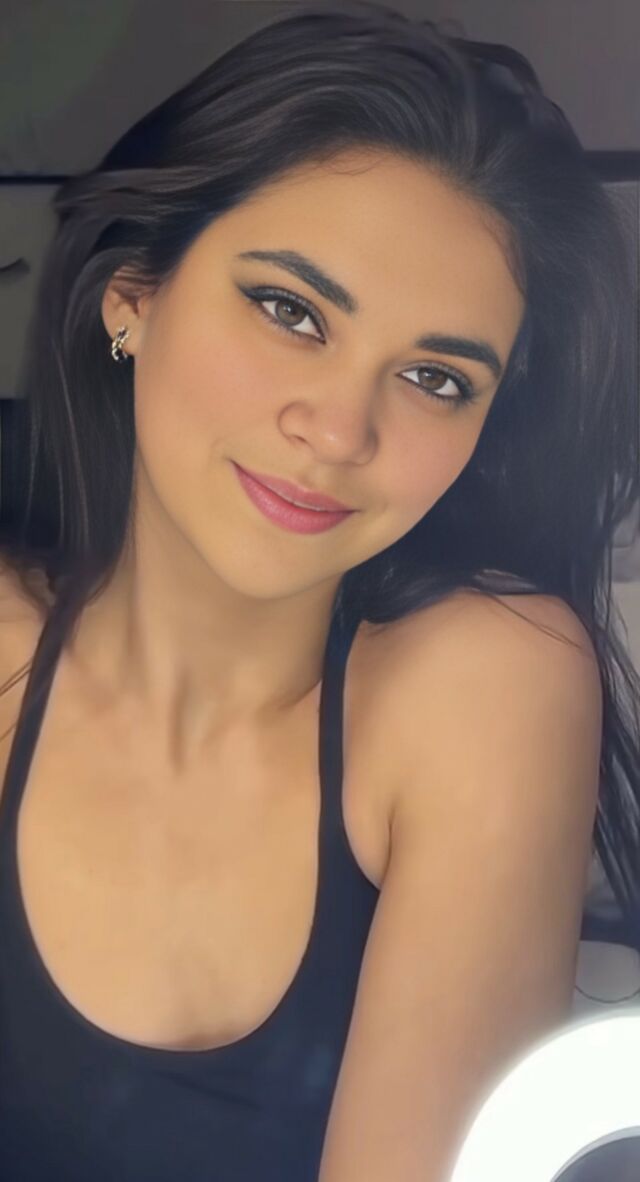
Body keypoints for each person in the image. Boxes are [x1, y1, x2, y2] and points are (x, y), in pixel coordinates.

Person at [0, 1, 638, 1179]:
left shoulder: (481, 686)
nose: (340, 431)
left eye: (435, 378)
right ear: (132, 294)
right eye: (290, 312)